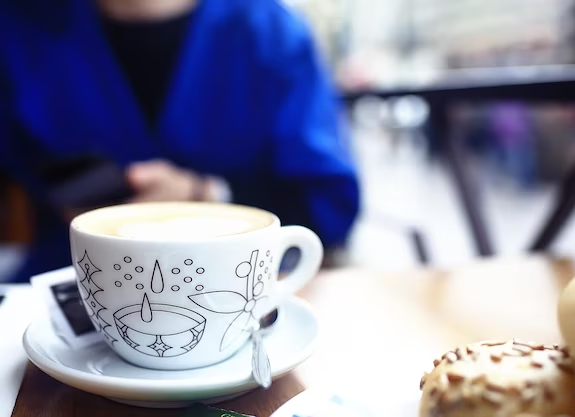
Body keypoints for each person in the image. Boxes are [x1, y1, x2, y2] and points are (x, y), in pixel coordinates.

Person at [0, 0, 360, 282]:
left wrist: (206, 195)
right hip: (67, 282)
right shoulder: (19, 28)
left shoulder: (270, 32)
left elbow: (330, 203)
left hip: (234, 287)